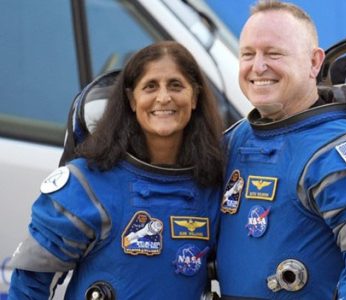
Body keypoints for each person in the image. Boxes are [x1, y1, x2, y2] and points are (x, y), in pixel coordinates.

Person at [216, 1, 346, 299]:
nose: (258, 66)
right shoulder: (236, 140)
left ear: (315, 62)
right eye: (248, 54)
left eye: (274, 53)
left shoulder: (344, 152)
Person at [8, 41, 224, 299]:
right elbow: (29, 284)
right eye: (150, 86)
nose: (164, 97)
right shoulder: (88, 184)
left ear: (195, 97)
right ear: (132, 100)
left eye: (176, 85)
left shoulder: (212, 185)